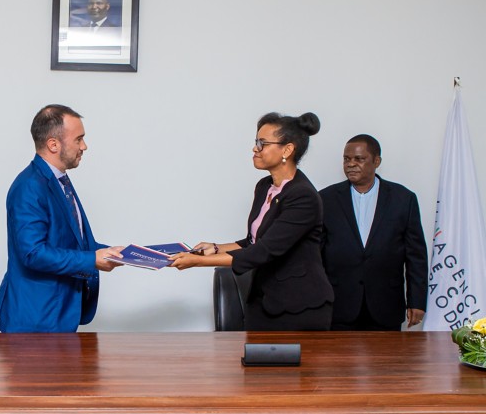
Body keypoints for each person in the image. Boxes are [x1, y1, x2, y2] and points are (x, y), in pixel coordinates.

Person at [169, 112, 334, 331]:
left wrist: (195, 261)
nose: (255, 149)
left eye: (262, 143)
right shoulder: (264, 186)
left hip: (298, 307)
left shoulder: (303, 196)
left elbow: (263, 251)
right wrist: (215, 248)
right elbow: (253, 241)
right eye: (256, 142)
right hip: (263, 301)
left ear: (287, 150)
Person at [0, 105, 123, 333]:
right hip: (35, 321)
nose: (84, 146)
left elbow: (75, 244)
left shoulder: (60, 181)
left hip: (58, 317)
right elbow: (33, 253)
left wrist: (125, 254)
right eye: (79, 139)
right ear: (53, 144)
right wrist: (92, 260)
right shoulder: (29, 187)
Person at [320, 134, 428, 330]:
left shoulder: (403, 199)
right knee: (338, 361)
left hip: (385, 306)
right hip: (339, 306)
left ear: (376, 161)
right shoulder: (326, 199)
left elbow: (416, 256)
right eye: (346, 159)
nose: (351, 164)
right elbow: (315, 254)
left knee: (385, 360)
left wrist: (417, 301)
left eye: (359, 159)